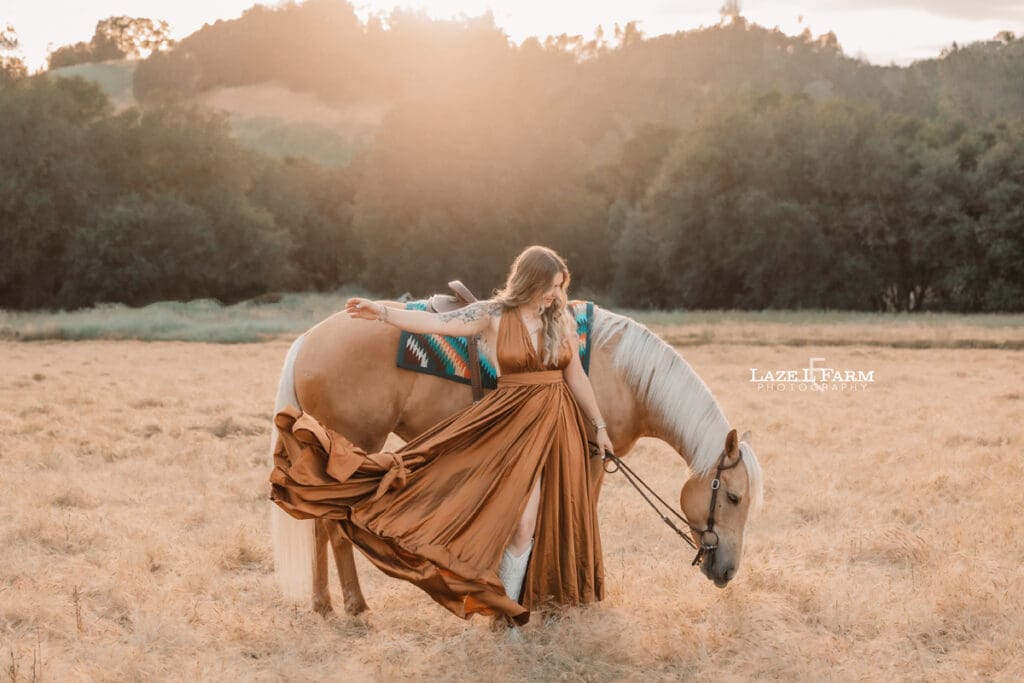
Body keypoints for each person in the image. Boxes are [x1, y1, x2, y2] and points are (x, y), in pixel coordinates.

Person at [269, 245, 614, 626]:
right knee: (519, 524)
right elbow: (439, 325)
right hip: (514, 424)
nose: (554, 295)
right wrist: (382, 313)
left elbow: (575, 376)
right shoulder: (494, 314)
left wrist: (598, 426)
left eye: (560, 287)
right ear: (530, 281)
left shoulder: (560, 320)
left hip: (557, 425)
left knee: (554, 515)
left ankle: (540, 604)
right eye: (549, 286)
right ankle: (509, 614)